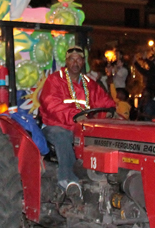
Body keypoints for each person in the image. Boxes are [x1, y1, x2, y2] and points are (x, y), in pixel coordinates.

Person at [38, 46, 115, 199]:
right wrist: (75, 116)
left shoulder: (90, 83)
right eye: (72, 59)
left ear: (83, 62)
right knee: (63, 135)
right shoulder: (55, 80)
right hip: (56, 125)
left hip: (83, 128)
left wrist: (110, 110)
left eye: (78, 59)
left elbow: (106, 101)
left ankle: (106, 179)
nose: (75, 62)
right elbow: (51, 104)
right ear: (66, 61)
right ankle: (69, 181)